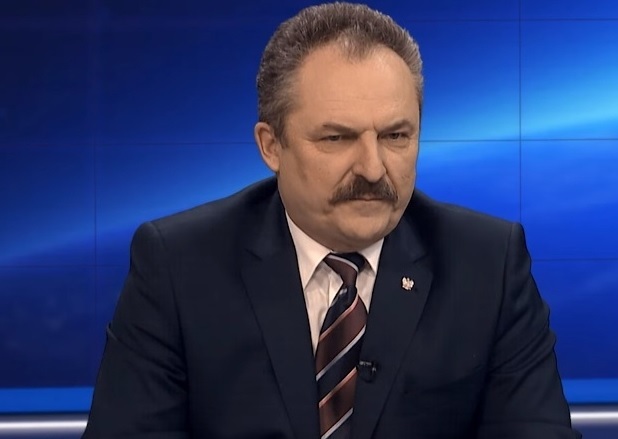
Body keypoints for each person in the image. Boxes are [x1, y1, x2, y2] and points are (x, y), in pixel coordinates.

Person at [83, 3, 581, 438]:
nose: (372, 168)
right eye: (337, 138)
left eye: (395, 136)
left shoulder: (487, 264)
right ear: (271, 146)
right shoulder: (178, 266)